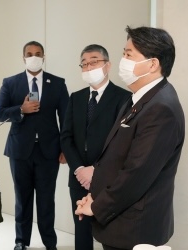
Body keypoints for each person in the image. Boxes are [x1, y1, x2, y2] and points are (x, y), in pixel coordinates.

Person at [75, 26, 185, 250]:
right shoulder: (138, 98)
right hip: (121, 220)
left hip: (135, 228)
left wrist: (97, 206)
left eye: (128, 54)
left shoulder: (161, 108)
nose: (122, 61)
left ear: (152, 64)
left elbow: (136, 173)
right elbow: (115, 156)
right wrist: (94, 194)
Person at [0, 41, 69, 250]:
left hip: (49, 151)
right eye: (29, 54)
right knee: (22, 198)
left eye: (38, 53)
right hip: (20, 151)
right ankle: (21, 241)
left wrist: (65, 148)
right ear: (23, 57)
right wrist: (21, 109)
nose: (34, 57)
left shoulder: (57, 83)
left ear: (43, 56)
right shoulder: (10, 83)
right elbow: (0, 113)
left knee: (47, 200)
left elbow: (66, 119)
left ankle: (49, 242)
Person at [60, 44, 130, 250]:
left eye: (94, 62)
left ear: (107, 65)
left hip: (109, 178)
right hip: (79, 178)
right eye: (84, 64)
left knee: (110, 230)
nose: (89, 67)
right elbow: (66, 137)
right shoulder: (76, 97)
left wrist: (96, 171)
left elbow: (121, 141)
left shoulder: (124, 98)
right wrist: (79, 169)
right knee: (82, 230)